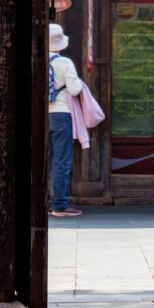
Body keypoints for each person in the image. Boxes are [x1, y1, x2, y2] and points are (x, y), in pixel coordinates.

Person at [48, 22, 83, 217]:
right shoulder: (65, 63)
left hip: (39, 114)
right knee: (61, 160)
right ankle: (59, 205)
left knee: (40, 159)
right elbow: (75, 89)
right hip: (60, 113)